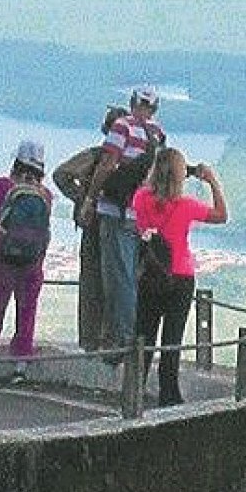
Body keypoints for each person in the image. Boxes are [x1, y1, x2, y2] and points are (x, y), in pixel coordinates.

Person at [131, 149, 228, 408]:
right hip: (180, 278)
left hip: (150, 275)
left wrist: (163, 172)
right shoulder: (186, 206)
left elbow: (144, 195)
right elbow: (221, 215)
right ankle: (169, 396)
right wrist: (211, 181)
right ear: (179, 175)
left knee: (144, 337)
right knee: (171, 341)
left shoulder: (141, 198)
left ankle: (133, 392)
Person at [79, 87, 166, 350]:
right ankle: (128, 337)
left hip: (115, 211)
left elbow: (107, 164)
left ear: (132, 103)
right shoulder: (157, 135)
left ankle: (121, 341)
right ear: (155, 108)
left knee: (117, 278)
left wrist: (90, 199)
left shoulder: (123, 127)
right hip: (140, 216)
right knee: (129, 275)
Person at [0, 139, 53, 378]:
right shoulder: (45, 194)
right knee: (27, 310)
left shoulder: (3, 186)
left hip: (1, 259)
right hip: (33, 263)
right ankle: (20, 363)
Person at [52, 106, 127, 352]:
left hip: (94, 224)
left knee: (92, 283)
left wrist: (83, 198)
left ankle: (90, 340)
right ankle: (112, 340)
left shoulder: (96, 156)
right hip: (120, 228)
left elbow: (61, 174)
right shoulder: (133, 162)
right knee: (116, 283)